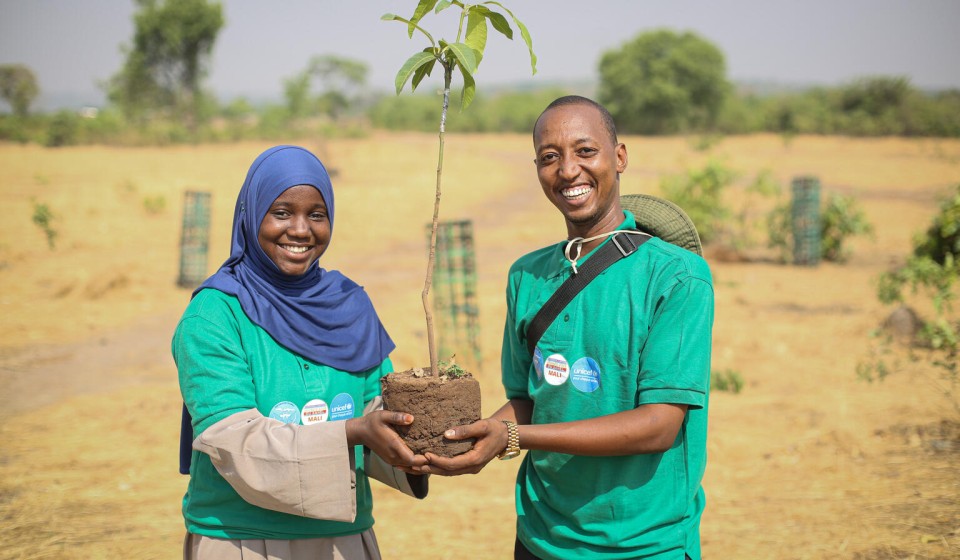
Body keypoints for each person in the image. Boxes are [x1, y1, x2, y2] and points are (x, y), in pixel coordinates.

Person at [418, 96, 715, 559]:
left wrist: (512, 439)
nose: (568, 170)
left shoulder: (676, 276)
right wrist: (464, 441)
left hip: (643, 543)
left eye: (585, 151)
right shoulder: (528, 275)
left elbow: (659, 425)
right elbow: (528, 400)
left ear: (619, 157)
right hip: (541, 538)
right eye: (549, 157)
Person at [173, 145, 427, 559]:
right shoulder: (214, 315)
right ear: (251, 215)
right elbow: (230, 436)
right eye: (281, 212)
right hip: (239, 538)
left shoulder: (349, 303)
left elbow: (375, 404)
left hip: (341, 538)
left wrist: (424, 437)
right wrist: (352, 432)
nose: (301, 230)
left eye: (316, 214)